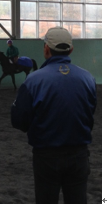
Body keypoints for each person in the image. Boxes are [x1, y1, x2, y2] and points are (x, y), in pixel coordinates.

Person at [11, 27, 97, 204]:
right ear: (71, 50)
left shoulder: (33, 80)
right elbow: (90, 112)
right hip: (79, 155)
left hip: (47, 156)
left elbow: (18, 120)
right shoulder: (88, 78)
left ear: (46, 49)